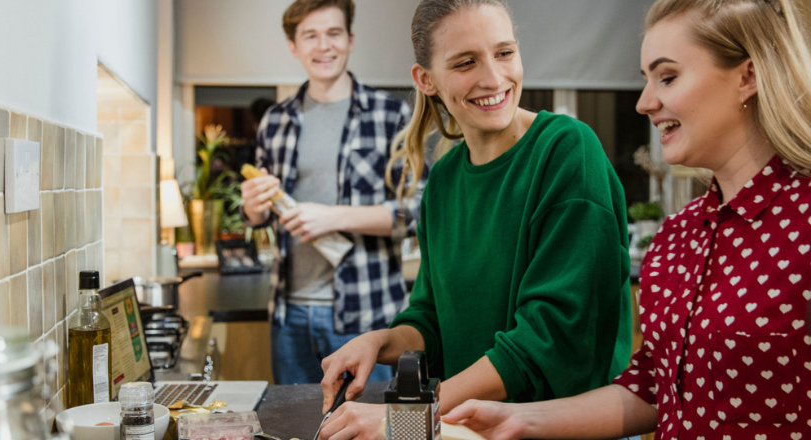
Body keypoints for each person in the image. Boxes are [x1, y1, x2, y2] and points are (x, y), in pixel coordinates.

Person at [444, 0, 811, 438]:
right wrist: (520, 418)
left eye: (668, 77)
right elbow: (652, 389)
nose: (644, 103)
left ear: (747, 77)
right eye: (646, 80)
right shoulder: (677, 237)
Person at [316, 1, 634, 438]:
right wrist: (378, 342)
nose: (494, 77)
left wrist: (411, 417)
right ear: (425, 80)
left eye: (504, 53)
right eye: (466, 62)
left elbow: (550, 339)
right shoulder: (444, 179)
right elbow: (431, 318)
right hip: (472, 430)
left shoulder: (567, 152)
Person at [239, 0, 421, 385]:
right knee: (298, 428)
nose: (324, 46)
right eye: (311, 36)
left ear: (350, 40)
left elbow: (417, 212)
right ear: (294, 47)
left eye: (334, 33)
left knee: (370, 427)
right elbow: (261, 218)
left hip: (367, 315)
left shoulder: (390, 115)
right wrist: (253, 208)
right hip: (289, 317)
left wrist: (333, 216)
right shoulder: (275, 121)